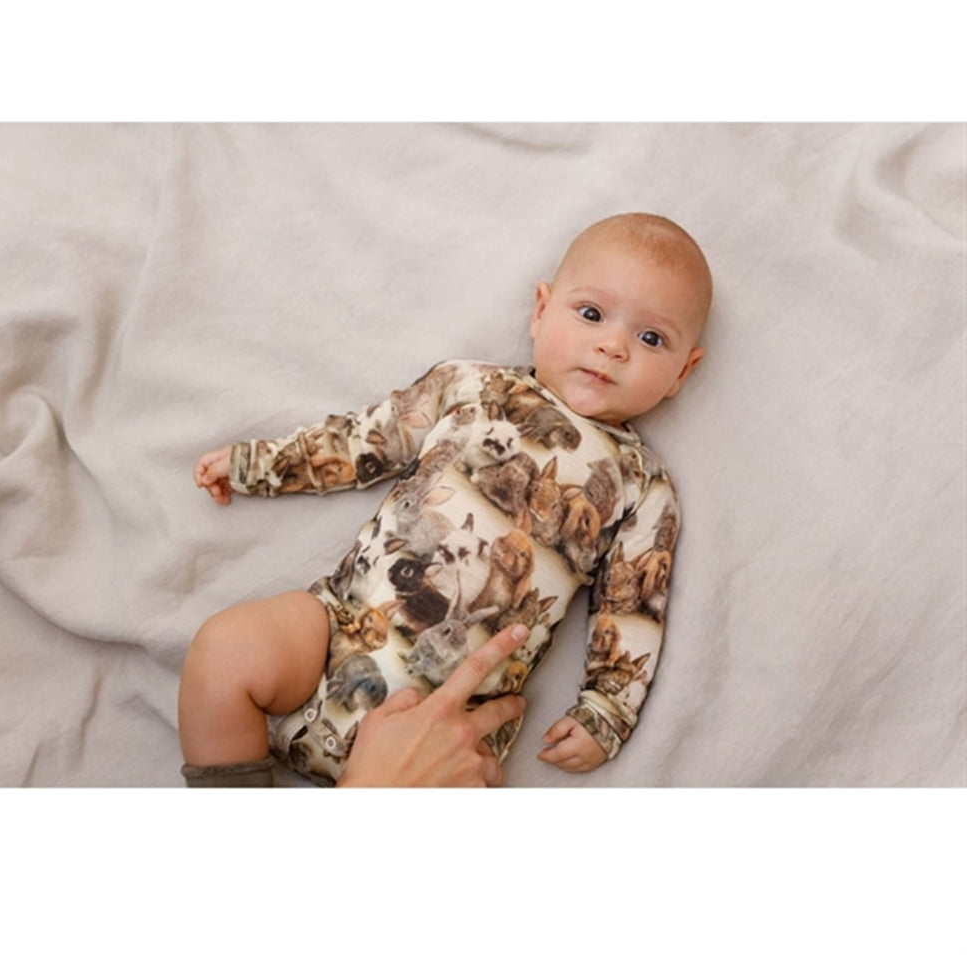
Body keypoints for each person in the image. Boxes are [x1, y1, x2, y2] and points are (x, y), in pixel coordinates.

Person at [179, 212, 712, 787]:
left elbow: (632, 606)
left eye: (651, 338)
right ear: (540, 310)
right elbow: (365, 440)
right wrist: (258, 465)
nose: (612, 346)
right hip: (339, 631)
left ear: (682, 372)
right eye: (591, 314)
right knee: (224, 650)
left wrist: (606, 710)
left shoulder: (642, 485)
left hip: (456, 718)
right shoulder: (469, 386)